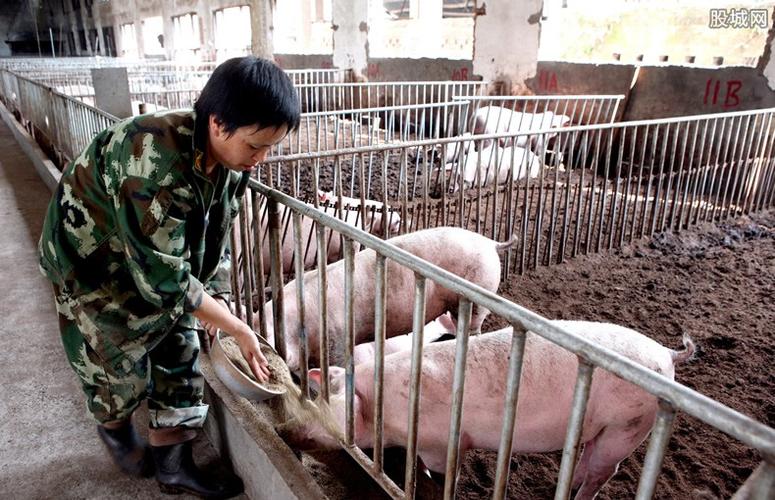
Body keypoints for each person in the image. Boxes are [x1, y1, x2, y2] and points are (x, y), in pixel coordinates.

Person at [38, 56, 300, 498]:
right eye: (257, 145)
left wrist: (218, 306)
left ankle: (174, 466)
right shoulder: (153, 162)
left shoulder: (230, 164)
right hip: (92, 262)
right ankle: (116, 428)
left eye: (272, 146)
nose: (263, 158)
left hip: (153, 258)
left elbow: (215, 242)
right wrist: (235, 326)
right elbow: (165, 282)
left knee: (182, 344)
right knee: (113, 360)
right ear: (219, 124)